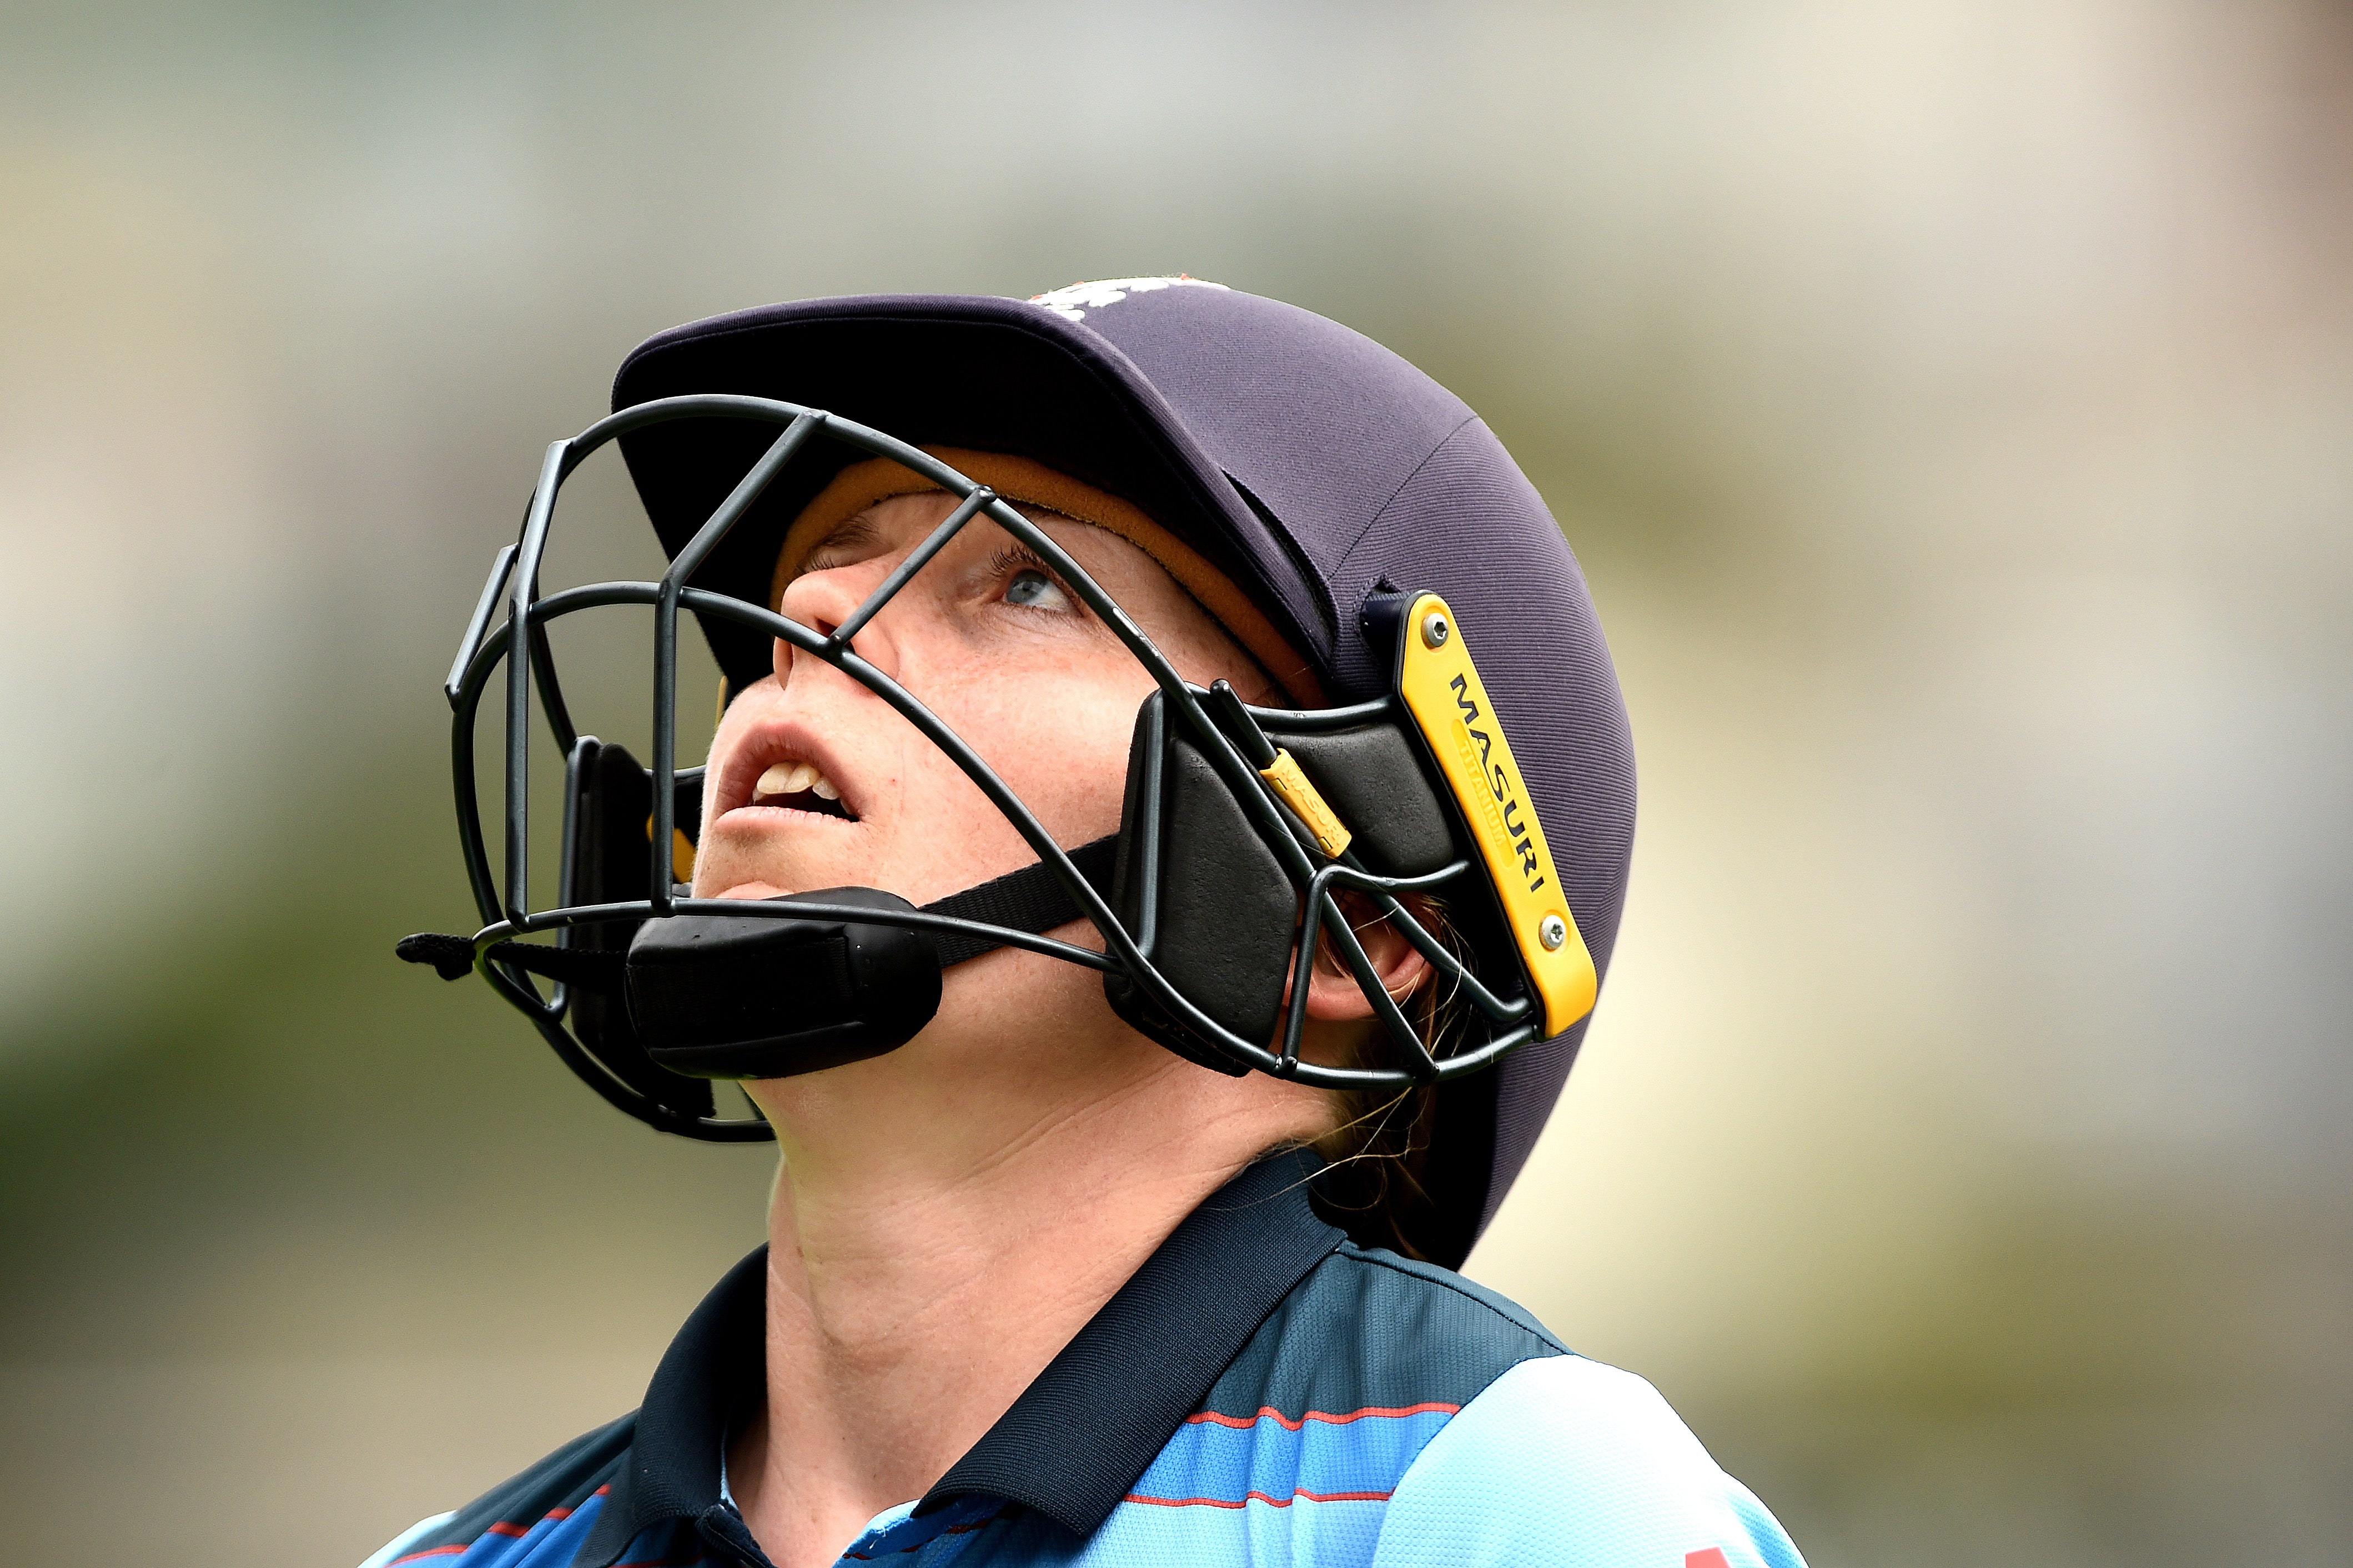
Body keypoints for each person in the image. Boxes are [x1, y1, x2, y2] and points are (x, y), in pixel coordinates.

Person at [379, 278, 1807, 1568]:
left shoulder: (1509, 1507)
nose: (806, 607)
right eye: (817, 574)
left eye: (1022, 582)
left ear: (1355, 925)